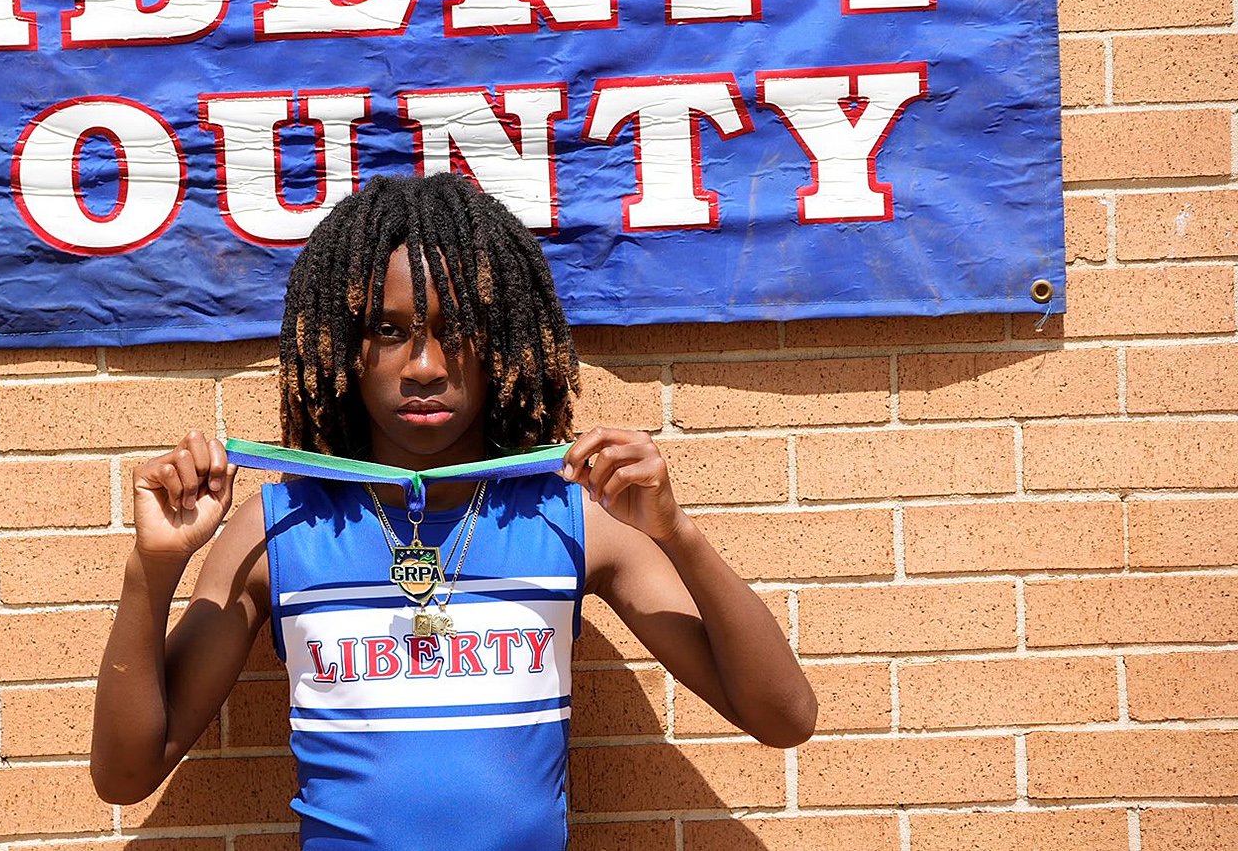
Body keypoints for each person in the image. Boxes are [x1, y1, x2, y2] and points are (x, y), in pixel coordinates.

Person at [90, 172, 817, 849]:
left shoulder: (571, 515)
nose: (426, 366)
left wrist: (676, 532)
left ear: (500, 338)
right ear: (343, 346)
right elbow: (124, 776)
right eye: (387, 330)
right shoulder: (277, 527)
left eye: (454, 327)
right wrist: (153, 569)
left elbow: (784, 717)